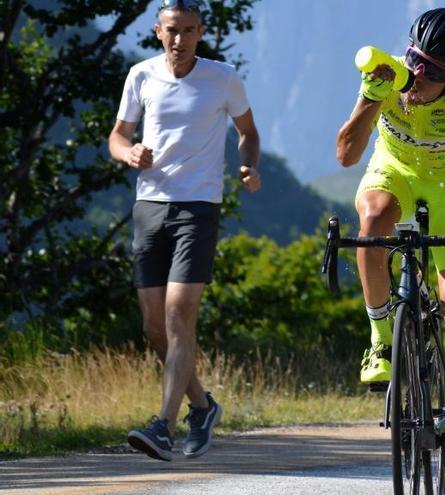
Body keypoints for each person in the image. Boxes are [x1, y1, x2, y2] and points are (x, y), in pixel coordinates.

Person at [336, 7, 445, 492]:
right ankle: (379, 339)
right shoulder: (388, 75)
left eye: (432, 70)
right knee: (371, 220)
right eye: (415, 58)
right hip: (394, 170)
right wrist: (371, 99)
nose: (417, 74)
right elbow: (348, 155)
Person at [107, 0, 260, 462]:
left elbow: (248, 131)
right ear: (158, 31)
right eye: (172, 30)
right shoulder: (141, 75)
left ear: (201, 32)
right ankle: (203, 405)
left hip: (198, 206)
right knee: (155, 327)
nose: (180, 40)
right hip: (149, 207)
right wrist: (128, 154)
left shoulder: (223, 77)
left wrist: (249, 165)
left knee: (178, 316)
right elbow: (117, 135)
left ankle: (163, 426)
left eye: (189, 31)